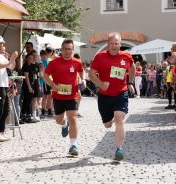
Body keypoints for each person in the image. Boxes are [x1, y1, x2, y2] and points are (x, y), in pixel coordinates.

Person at [89, 32, 135, 161]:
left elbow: (132, 68)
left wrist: (130, 82)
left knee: (119, 119)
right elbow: (91, 74)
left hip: (121, 93)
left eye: (116, 43)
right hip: (104, 96)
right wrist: (100, 84)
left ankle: (119, 149)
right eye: (111, 43)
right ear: (107, 44)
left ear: (120, 44)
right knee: (108, 125)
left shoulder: (127, 56)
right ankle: (112, 118)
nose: (114, 46)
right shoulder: (100, 57)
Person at [43, 39, 86, 156]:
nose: (67, 51)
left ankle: (73, 145)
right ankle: (63, 124)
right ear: (61, 49)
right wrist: (52, 85)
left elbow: (82, 72)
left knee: (73, 118)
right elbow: (45, 75)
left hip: (72, 95)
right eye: (65, 49)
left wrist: (83, 80)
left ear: (73, 50)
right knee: (58, 120)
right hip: (58, 96)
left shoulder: (77, 62)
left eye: (70, 49)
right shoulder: (54, 63)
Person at [0, 35, 18, 141]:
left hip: (4, 84)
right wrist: (10, 60)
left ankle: (1, 131)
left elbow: (11, 66)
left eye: (2, 43)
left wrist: (12, 59)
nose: (1, 44)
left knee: (6, 110)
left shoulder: (1, 55)